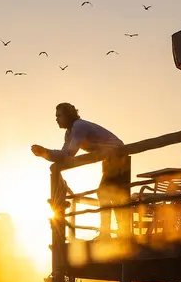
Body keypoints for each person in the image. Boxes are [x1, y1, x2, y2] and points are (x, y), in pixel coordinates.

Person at [31, 102, 132, 239]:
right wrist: (45, 154)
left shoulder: (79, 126)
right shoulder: (70, 132)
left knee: (108, 194)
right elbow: (64, 155)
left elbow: (68, 154)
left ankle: (114, 233)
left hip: (118, 156)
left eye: (59, 115)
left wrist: (45, 152)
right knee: (110, 194)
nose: (56, 119)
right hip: (109, 159)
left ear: (68, 115)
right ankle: (118, 232)